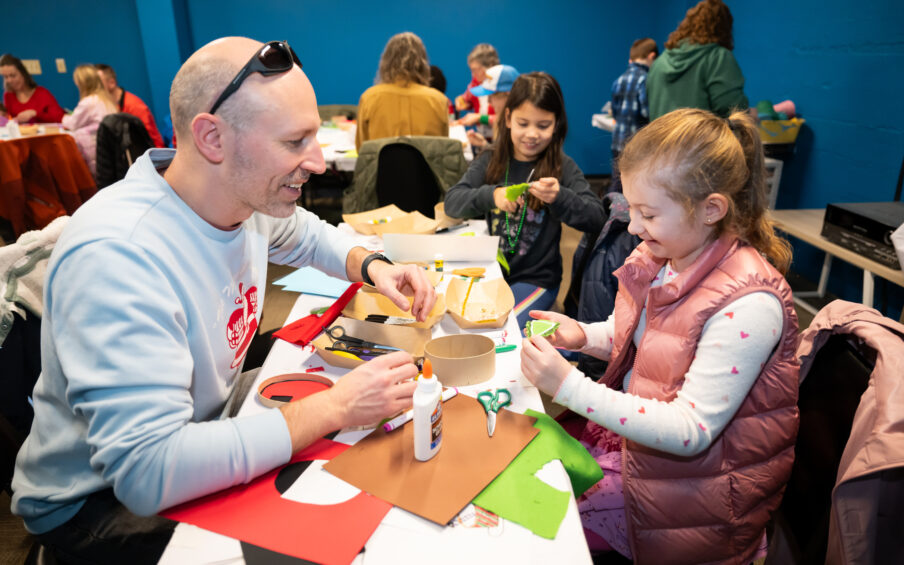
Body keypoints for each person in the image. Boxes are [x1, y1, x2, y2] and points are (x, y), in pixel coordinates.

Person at [11, 37, 436, 563]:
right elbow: (149, 473)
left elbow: (305, 233)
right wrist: (337, 407)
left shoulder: (240, 196)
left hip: (194, 431)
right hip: (91, 506)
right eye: (295, 141)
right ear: (212, 138)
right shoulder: (119, 256)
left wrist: (375, 266)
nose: (319, 162)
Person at [520, 108, 799, 563]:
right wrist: (583, 335)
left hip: (694, 504)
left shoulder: (749, 307)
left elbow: (690, 430)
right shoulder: (672, 255)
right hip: (647, 461)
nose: (631, 228)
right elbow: (644, 339)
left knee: (537, 524)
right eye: (632, 210)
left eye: (648, 214)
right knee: (524, 454)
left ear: (711, 209)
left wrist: (568, 387)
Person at [444, 72, 605, 326]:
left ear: (556, 124)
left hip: (537, 281)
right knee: (456, 319)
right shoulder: (490, 160)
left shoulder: (563, 167)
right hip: (492, 274)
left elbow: (596, 218)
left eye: (543, 126)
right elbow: (452, 202)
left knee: (501, 326)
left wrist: (560, 196)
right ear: (508, 119)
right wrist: (492, 194)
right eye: (523, 123)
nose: (531, 134)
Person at [646, 0, 748, 120]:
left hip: (662, 138)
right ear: (724, 28)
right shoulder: (717, 57)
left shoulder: (659, 62)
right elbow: (732, 108)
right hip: (702, 138)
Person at [355, 32, 449, 149]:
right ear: (422, 62)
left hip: (382, 167)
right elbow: (443, 150)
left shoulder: (369, 98)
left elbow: (362, 149)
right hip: (425, 167)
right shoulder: (438, 100)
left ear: (386, 61)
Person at [608, 37, 657, 193]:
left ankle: (610, 209)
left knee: (617, 179)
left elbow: (614, 112)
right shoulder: (645, 79)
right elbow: (645, 112)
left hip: (617, 141)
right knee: (633, 184)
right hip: (636, 142)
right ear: (651, 56)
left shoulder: (619, 80)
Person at [61, 64, 118, 176]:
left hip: (96, 154)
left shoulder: (88, 102)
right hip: (112, 154)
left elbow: (72, 124)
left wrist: (64, 117)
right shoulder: (107, 100)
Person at [95, 63, 166, 148]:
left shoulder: (134, 106)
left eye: (98, 83)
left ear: (112, 83)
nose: (94, 88)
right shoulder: (104, 107)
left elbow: (152, 142)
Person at [457, 64, 519, 151]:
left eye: (492, 95)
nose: (489, 101)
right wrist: (484, 144)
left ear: (507, 96)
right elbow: (500, 156)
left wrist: (480, 118)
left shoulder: (517, 129)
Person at [1, 53, 65, 124]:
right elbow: (9, 121)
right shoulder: (8, 96)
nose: (9, 80)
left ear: (23, 73)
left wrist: (35, 113)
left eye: (13, 75)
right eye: (5, 77)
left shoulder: (42, 93)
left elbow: (60, 117)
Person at [454, 43, 499, 141]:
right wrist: (461, 101)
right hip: (482, 139)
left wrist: (479, 118)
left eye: (475, 70)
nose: (473, 75)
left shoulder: (502, 86)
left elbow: (505, 119)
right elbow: (467, 98)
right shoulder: (476, 82)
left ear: (490, 67)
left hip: (500, 141)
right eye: (471, 70)